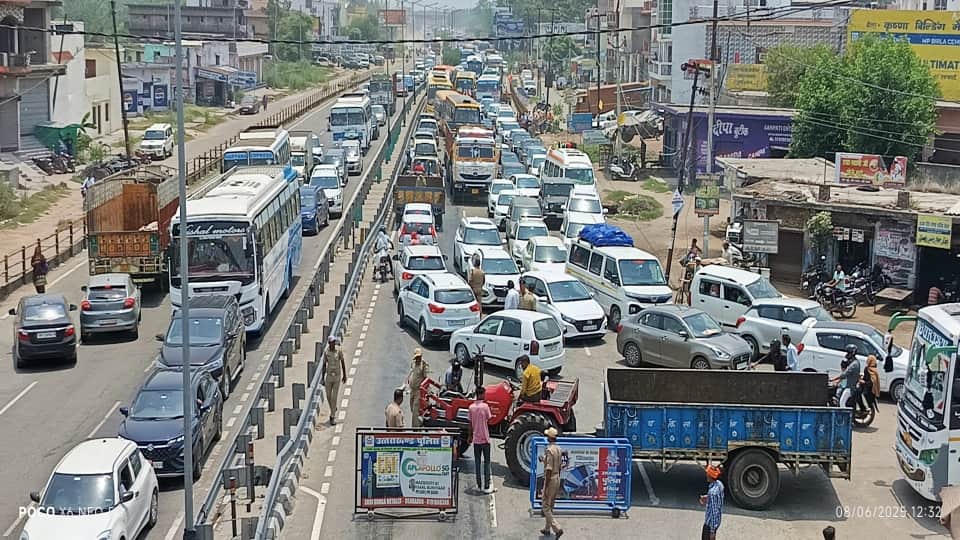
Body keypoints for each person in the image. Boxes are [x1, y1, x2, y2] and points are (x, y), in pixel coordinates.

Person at [468, 386, 494, 493]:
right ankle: (487, 486)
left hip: (476, 439)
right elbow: (489, 419)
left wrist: (470, 436)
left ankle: (479, 485)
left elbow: (470, 424)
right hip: (485, 439)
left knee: (477, 463)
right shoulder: (485, 406)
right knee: (487, 463)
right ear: (481, 394)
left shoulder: (471, 407)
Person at [540, 426, 564, 538]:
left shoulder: (549, 450)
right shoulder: (558, 449)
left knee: (545, 505)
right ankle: (547, 528)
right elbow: (558, 465)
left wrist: (547, 484)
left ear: (549, 438)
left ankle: (556, 527)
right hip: (557, 477)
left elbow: (549, 468)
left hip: (551, 478)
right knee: (551, 505)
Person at [320, 335, 347, 425]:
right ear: (329, 343)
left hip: (337, 377)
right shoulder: (326, 352)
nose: (333, 344)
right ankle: (333, 407)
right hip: (329, 377)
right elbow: (324, 365)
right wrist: (322, 378)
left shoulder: (338, 351)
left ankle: (332, 416)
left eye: (334, 342)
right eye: (331, 342)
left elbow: (342, 362)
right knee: (328, 396)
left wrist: (345, 375)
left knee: (334, 397)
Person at [830, 344, 861, 408]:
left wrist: (833, 379)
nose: (847, 355)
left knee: (842, 403)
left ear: (852, 353)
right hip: (848, 386)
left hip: (850, 388)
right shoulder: (854, 362)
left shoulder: (854, 364)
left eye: (848, 353)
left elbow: (844, 374)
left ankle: (844, 417)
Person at [405, 348, 430, 427]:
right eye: (416, 357)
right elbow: (412, 373)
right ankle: (419, 422)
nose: (417, 359)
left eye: (419, 357)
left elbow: (426, 378)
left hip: (419, 391)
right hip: (412, 390)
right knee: (412, 408)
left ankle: (415, 429)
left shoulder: (423, 365)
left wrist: (426, 391)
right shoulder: (413, 363)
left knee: (415, 410)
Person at [700, 465, 724, 540]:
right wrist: (707, 497)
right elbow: (718, 499)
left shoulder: (712, 492)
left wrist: (712, 531)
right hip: (717, 521)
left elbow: (714, 512)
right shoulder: (719, 484)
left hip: (710, 524)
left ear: (710, 476)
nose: (706, 475)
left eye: (707, 474)